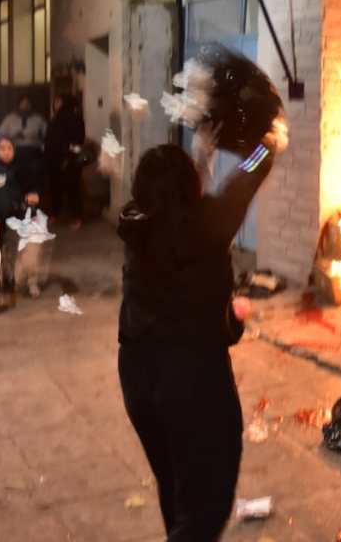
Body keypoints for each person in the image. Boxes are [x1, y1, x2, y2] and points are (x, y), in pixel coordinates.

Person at [116, 121, 280, 541]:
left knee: (175, 483)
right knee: (207, 502)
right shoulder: (209, 222)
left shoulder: (136, 225)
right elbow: (247, 175)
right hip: (190, 381)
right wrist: (268, 143)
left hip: (138, 375)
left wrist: (228, 319)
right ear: (189, 189)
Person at [0, 136, 41, 295]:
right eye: (2, 148)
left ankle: (31, 280)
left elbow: (32, 185)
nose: (6, 152)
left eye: (9, 148)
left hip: (17, 211)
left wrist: (33, 194)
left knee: (29, 243)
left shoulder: (22, 167)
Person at [45, 93, 86, 228]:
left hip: (66, 159)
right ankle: (62, 215)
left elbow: (75, 141)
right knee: (62, 188)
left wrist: (67, 156)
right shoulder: (59, 118)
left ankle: (74, 217)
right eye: (55, 101)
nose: (55, 104)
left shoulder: (69, 118)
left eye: (58, 101)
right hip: (59, 158)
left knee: (69, 189)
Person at [0, 94, 47, 195]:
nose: (25, 106)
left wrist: (38, 140)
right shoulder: (10, 119)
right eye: (23, 104)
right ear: (19, 105)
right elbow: (0, 134)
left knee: (33, 173)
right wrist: (13, 136)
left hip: (33, 151)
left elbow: (47, 134)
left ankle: (32, 193)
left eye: (27, 104)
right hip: (16, 150)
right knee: (16, 173)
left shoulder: (38, 119)